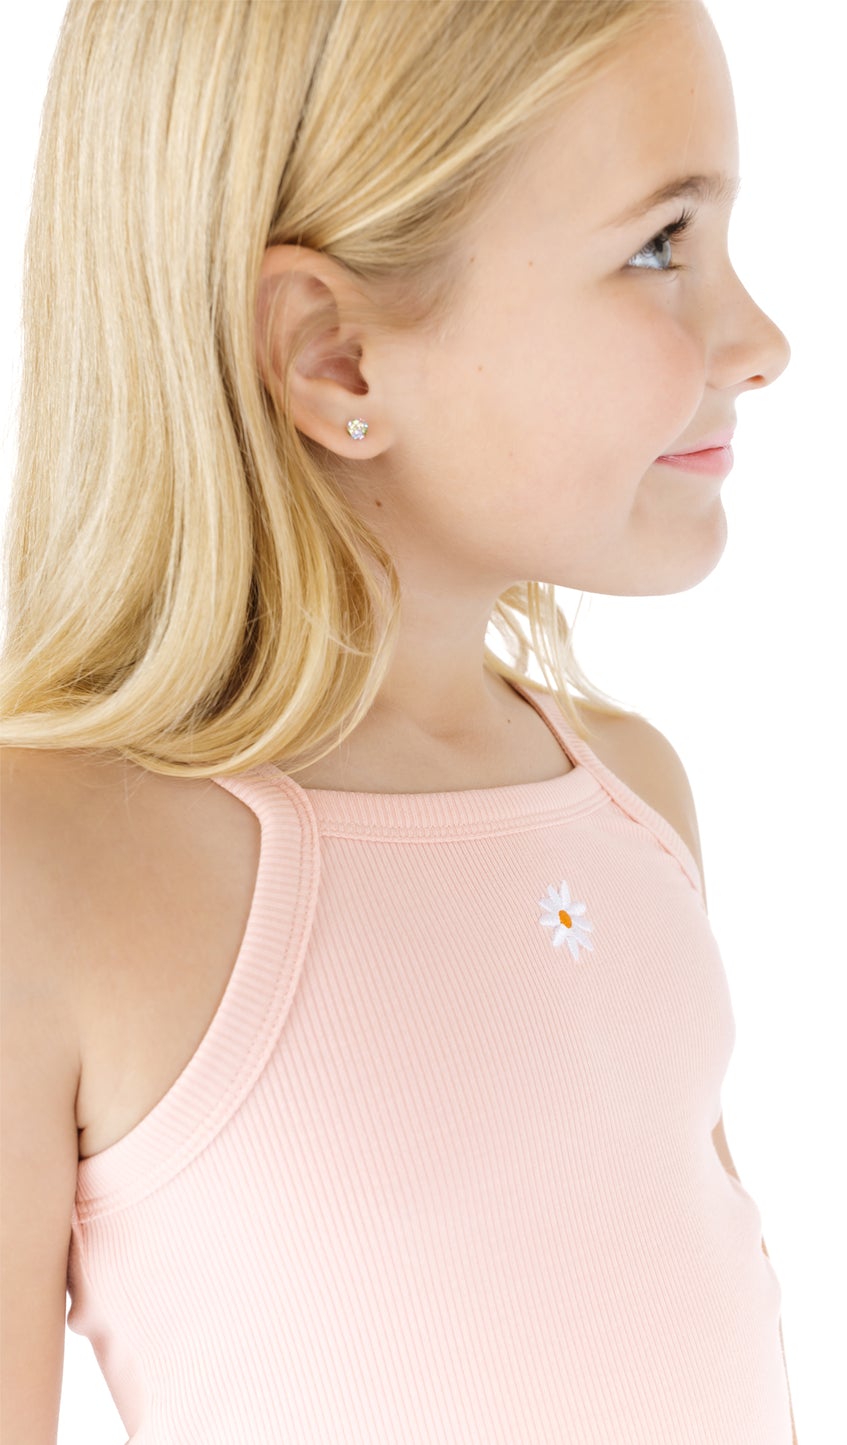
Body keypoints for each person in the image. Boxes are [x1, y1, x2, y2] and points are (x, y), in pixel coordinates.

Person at [0, 0, 794, 1440]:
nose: (761, 339)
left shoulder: (629, 804)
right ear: (335, 356)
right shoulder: (47, 870)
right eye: (658, 247)